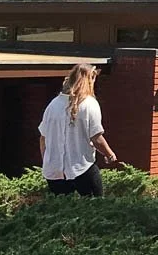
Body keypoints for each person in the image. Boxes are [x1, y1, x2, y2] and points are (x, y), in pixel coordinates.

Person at [39, 63, 117, 197]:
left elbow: (43, 138)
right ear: (89, 80)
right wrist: (109, 154)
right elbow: (96, 138)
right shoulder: (89, 104)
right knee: (96, 208)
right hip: (82, 167)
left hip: (54, 172)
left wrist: (47, 160)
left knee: (63, 211)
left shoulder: (53, 104)